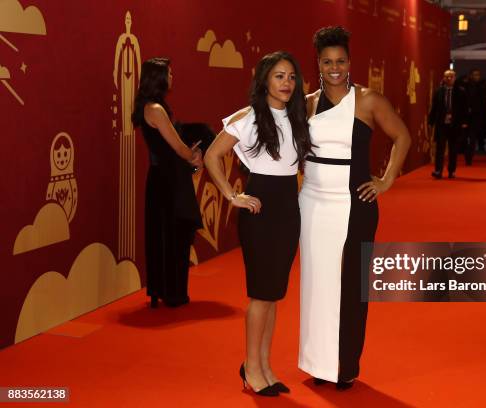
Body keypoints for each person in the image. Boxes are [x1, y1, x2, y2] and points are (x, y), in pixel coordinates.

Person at [299, 26, 411, 390]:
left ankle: (344, 366)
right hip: (314, 203)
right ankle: (318, 363)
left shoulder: (368, 100)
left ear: (350, 62)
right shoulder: (308, 103)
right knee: (317, 284)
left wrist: (386, 180)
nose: (334, 68)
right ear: (318, 63)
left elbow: (402, 137)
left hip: (356, 203)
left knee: (350, 287)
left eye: (341, 61)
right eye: (327, 62)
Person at [204, 51, 312, 397]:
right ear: (265, 79)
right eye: (279, 76)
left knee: (273, 295)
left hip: (288, 207)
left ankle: (264, 366)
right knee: (260, 295)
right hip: (260, 208)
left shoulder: (297, 117)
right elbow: (212, 155)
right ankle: (251, 368)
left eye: (291, 77)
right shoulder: (248, 117)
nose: (286, 83)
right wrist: (230, 194)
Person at [131, 58, 203, 308]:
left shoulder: (149, 108)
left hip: (161, 181)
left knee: (163, 236)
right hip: (168, 183)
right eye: (169, 73)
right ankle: (173, 294)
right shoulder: (156, 110)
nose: (173, 76)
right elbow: (179, 149)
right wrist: (194, 153)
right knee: (175, 237)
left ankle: (161, 290)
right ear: (159, 77)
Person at [428, 69, 468, 179]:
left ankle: (451, 170)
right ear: (443, 78)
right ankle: (438, 170)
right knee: (440, 148)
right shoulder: (439, 91)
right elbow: (434, 107)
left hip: (455, 124)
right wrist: (430, 121)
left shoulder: (461, 91)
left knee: (453, 149)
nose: (449, 79)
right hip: (441, 123)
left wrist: (464, 122)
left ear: (455, 78)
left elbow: (465, 108)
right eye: (446, 77)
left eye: (451, 77)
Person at [464, 68, 486, 164]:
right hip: (465, 115)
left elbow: (483, 102)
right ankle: (467, 154)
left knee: (473, 137)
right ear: (470, 76)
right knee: (464, 137)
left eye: (478, 75)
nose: (476, 77)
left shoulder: (482, 87)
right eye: (474, 75)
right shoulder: (465, 86)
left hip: (477, 116)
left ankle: (469, 156)